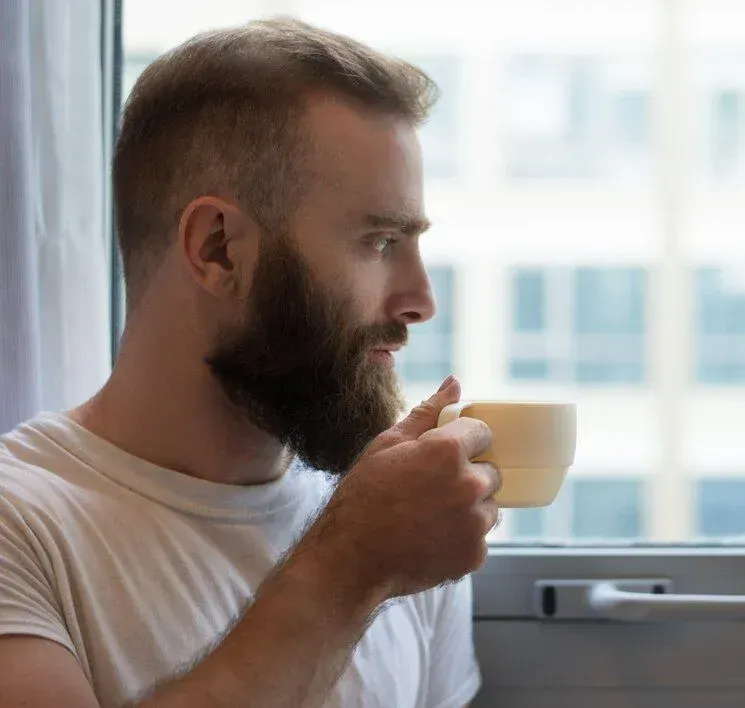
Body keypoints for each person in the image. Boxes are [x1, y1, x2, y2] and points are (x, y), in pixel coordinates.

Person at [0, 17, 499, 708]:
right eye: (380, 242)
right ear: (219, 249)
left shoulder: (402, 524)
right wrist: (353, 566)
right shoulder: (19, 528)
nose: (421, 302)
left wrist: (370, 550)